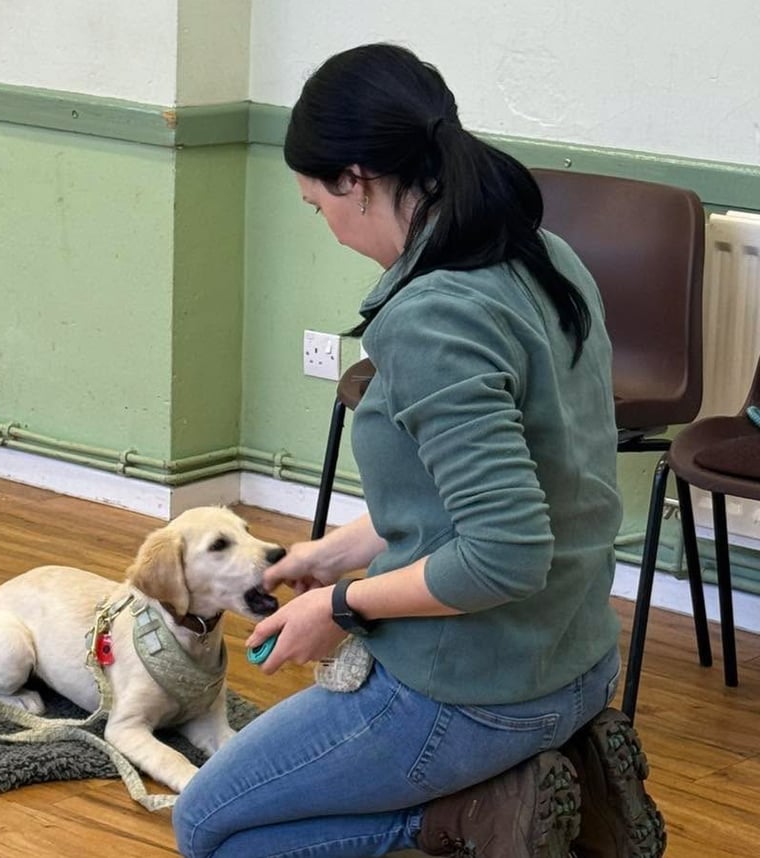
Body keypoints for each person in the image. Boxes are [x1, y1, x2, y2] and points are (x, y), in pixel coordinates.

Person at [171, 43, 666, 858]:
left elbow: (503, 555)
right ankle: (527, 779)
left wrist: (341, 608)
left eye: (314, 204)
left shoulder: (434, 315)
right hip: (576, 659)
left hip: (482, 690)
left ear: (355, 180)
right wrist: (338, 553)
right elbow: (499, 490)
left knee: (209, 829)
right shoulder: (545, 255)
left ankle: (466, 819)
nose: (324, 227)